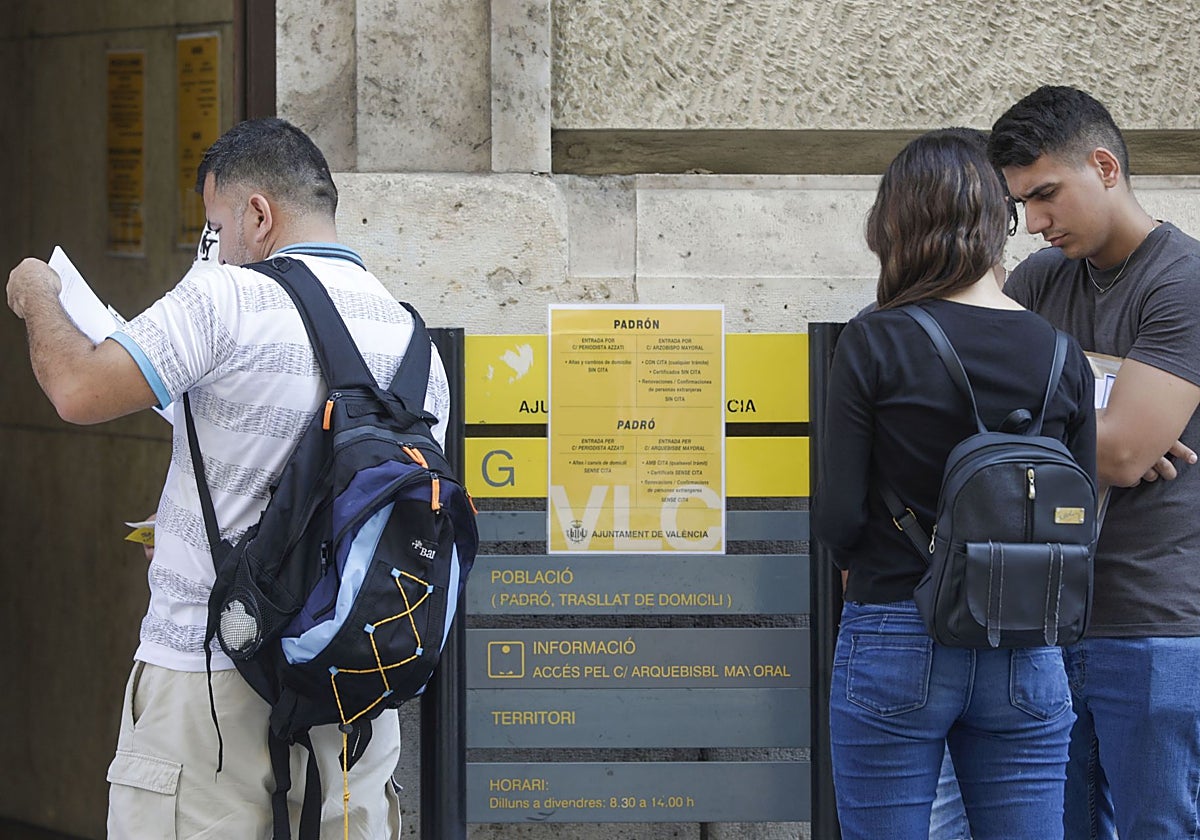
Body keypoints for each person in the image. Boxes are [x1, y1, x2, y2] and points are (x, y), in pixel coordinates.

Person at [6, 118, 450, 839]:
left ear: (258, 215)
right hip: (355, 690)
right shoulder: (413, 342)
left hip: (209, 677)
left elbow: (77, 388)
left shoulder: (225, 299)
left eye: (215, 224)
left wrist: (37, 296)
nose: (214, 247)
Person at [812, 128, 1096, 840]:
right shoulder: (1062, 354)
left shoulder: (874, 339)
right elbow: (1084, 516)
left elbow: (838, 516)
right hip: (1025, 642)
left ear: (895, 227)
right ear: (999, 223)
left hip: (896, 626)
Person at [990, 85, 1200, 840]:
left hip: (1155, 619)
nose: (1034, 223)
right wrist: (1093, 419)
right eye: (1021, 204)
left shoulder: (1182, 280)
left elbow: (1126, 451)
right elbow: (973, 419)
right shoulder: (1040, 281)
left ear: (1105, 166)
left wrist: (1089, 431)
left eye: (1046, 195)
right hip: (1044, 613)